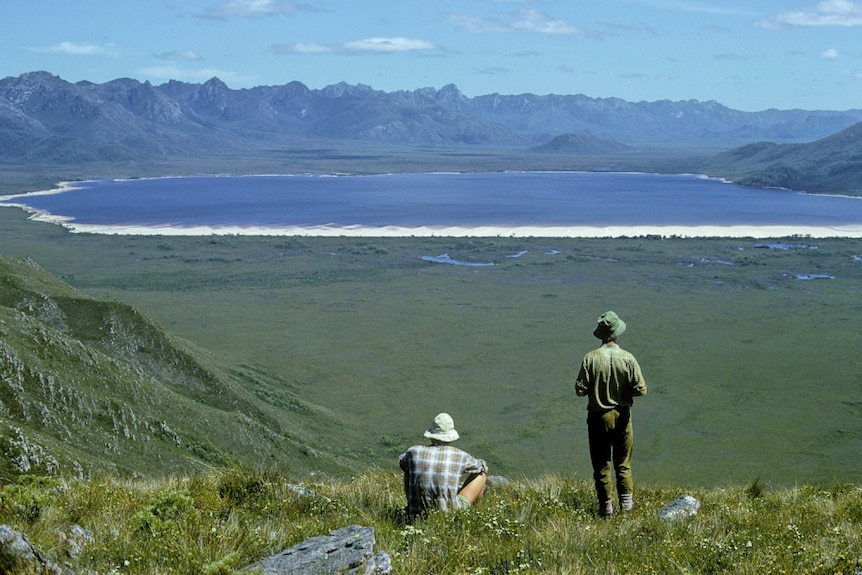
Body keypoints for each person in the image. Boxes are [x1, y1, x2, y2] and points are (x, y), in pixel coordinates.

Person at [575, 311, 647, 517]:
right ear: (617, 334)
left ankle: (606, 510)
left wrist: (596, 390)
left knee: (601, 465)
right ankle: (627, 509)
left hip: (598, 417)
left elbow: (580, 390)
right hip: (623, 415)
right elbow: (641, 389)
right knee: (623, 464)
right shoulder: (628, 358)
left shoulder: (590, 358)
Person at [399, 412, 488, 520]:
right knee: (481, 474)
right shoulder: (459, 455)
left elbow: (402, 461)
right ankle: (473, 512)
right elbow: (482, 467)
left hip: (416, 512)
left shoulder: (413, 451)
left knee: (407, 468)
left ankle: (412, 505)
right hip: (448, 513)